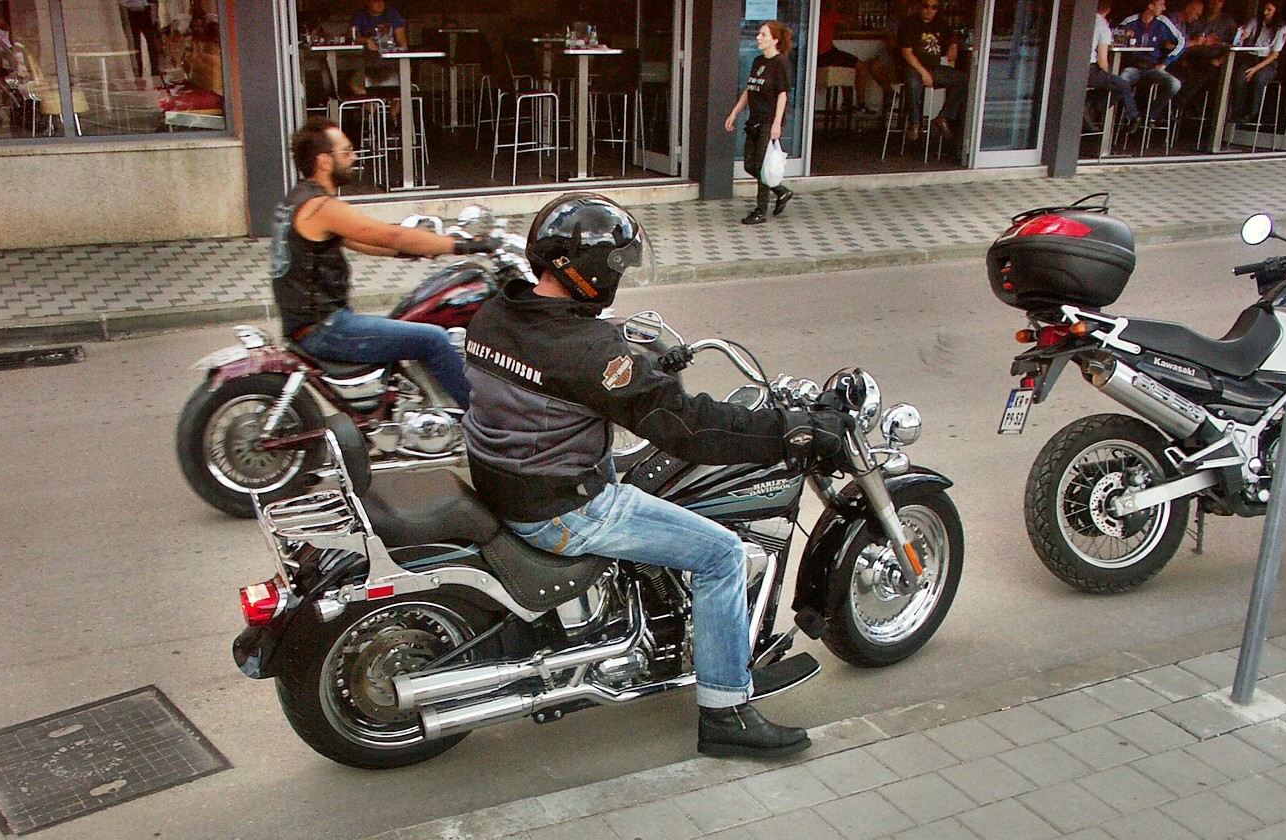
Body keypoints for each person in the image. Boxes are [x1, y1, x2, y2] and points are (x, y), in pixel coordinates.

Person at [460, 193, 852, 759]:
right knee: (722, 554)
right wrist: (787, 430)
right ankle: (726, 712)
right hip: (562, 507)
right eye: (616, 263)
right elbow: (687, 428)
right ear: (588, 267)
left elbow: (566, 357)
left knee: (651, 480)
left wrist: (641, 364)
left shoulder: (496, 312)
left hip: (509, 477)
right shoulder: (590, 351)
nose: (619, 274)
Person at [273, 117, 498, 408]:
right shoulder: (320, 207)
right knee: (434, 339)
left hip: (315, 324)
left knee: (408, 321)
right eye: (347, 152)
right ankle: (485, 426)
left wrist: (414, 250)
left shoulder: (297, 200)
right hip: (325, 329)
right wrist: (464, 246)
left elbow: (362, 242)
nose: (354, 158)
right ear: (324, 161)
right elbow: (386, 234)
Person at [724, 21, 794, 227]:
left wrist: (777, 123)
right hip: (753, 120)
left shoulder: (781, 63)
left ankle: (760, 210)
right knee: (750, 165)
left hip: (767, 121)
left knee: (762, 166)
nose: (758, 38)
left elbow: (782, 94)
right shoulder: (757, 61)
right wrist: (734, 113)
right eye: (758, 34)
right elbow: (750, 89)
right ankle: (781, 191)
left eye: (763, 35)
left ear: (775, 39)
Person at [897, 0, 968, 145]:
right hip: (913, 67)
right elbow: (906, 53)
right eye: (925, 6)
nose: (929, 10)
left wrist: (953, 45)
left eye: (934, 7)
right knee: (913, 82)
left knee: (963, 79)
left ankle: (944, 116)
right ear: (919, 6)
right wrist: (923, 72)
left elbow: (953, 34)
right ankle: (914, 123)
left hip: (934, 68)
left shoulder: (940, 23)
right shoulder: (909, 23)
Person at [1117, 0, 1186, 123]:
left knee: (1175, 84)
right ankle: (1134, 116)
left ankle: (1149, 115)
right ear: (1150, 6)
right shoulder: (1130, 21)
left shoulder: (1163, 22)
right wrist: (1124, 35)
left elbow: (1182, 42)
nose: (1164, 8)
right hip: (1133, 66)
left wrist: (1165, 63)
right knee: (1121, 80)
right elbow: (1114, 36)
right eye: (1161, 4)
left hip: (1153, 67)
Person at [1232, 2, 1286, 125]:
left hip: (1267, 61)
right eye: (1264, 9)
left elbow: (1274, 54)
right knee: (1240, 78)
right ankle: (1236, 112)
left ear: (1276, 12)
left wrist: (1255, 69)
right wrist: (1240, 37)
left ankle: (1254, 114)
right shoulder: (1255, 21)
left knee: (1259, 79)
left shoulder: (1281, 29)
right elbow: (1246, 33)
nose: (1265, 13)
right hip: (1251, 57)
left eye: (1269, 10)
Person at [816, 1, 876, 115]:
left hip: (819, 55)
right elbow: (850, 25)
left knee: (846, 66)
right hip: (825, 55)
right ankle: (861, 104)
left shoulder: (818, 13)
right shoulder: (830, 13)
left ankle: (847, 103)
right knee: (861, 67)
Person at [1090, 0, 1139, 135]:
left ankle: (1093, 108)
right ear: (1108, 10)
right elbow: (1102, 60)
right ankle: (1133, 116)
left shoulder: (1084, 20)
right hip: (1090, 70)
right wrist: (1107, 73)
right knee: (1123, 85)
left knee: (1113, 83)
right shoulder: (1103, 28)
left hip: (1077, 68)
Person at [349, 0, 405, 96]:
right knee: (354, 84)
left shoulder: (392, 15)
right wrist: (367, 40)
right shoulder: (361, 16)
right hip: (371, 64)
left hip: (393, 63)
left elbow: (402, 43)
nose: (380, 3)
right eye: (376, 0)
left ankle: (393, 110)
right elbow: (352, 36)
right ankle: (372, 109)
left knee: (399, 88)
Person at [118, 0, 162, 83]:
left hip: (145, 10)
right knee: (135, 43)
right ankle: (137, 71)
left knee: (152, 42)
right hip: (131, 11)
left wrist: (153, 10)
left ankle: (155, 69)